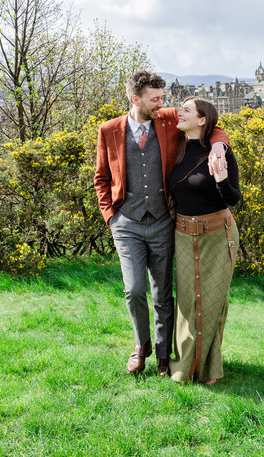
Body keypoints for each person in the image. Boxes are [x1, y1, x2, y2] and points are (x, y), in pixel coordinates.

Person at [94, 72, 230, 376]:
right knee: (134, 289)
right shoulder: (109, 130)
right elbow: (101, 178)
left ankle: (163, 354)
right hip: (126, 222)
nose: (162, 104)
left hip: (163, 222)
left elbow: (213, 124)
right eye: (155, 99)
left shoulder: (166, 120)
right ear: (136, 99)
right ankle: (140, 346)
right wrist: (111, 216)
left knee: (161, 293)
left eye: (162, 98)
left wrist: (220, 147)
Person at [169, 96, 241, 385]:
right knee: (187, 302)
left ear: (202, 120)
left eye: (186, 109)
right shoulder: (177, 145)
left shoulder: (220, 153)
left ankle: (209, 369)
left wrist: (222, 180)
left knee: (211, 302)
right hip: (183, 234)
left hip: (217, 234)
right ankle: (184, 367)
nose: (178, 111)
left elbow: (234, 198)